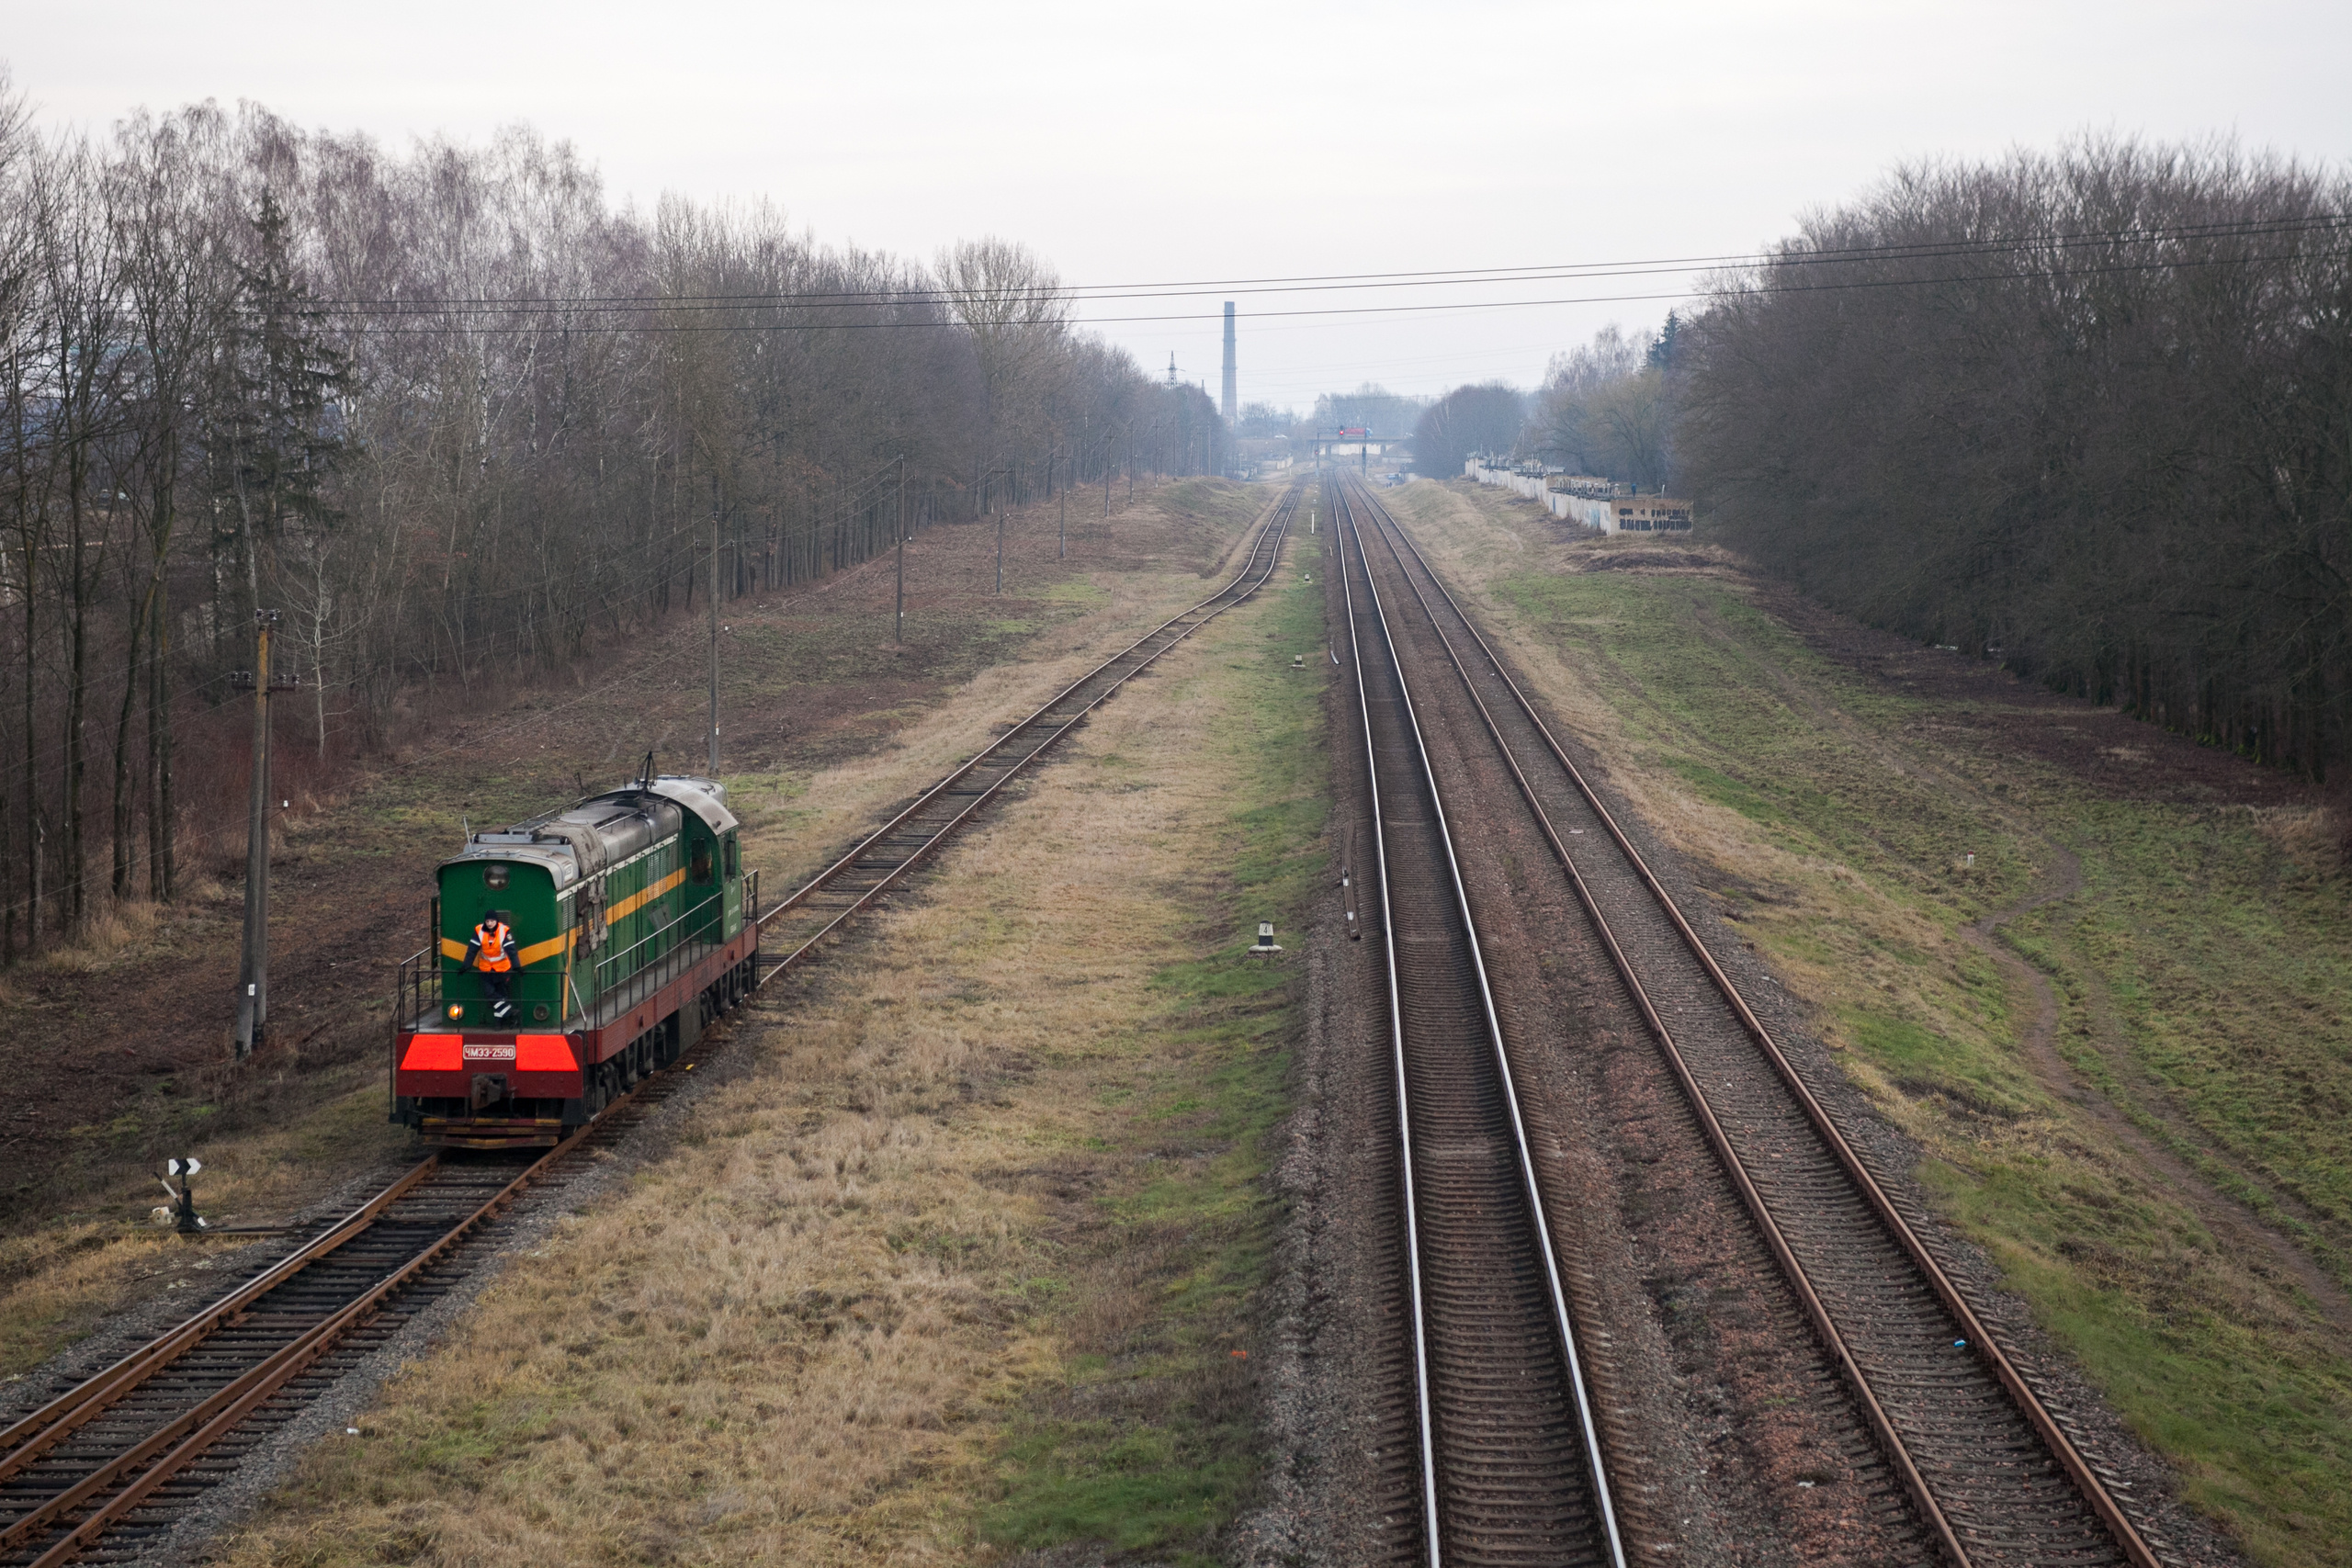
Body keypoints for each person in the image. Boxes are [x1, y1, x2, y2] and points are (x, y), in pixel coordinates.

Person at [466, 909, 519, 1023]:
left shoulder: (504, 931)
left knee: (501, 995)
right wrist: (466, 965)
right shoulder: (479, 930)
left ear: (496, 921)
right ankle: (510, 1013)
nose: (489, 923)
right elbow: (472, 949)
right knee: (490, 993)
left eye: (492, 921)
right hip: (486, 969)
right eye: (488, 921)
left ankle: (498, 1023)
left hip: (502, 969)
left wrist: (517, 966)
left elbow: (511, 950)